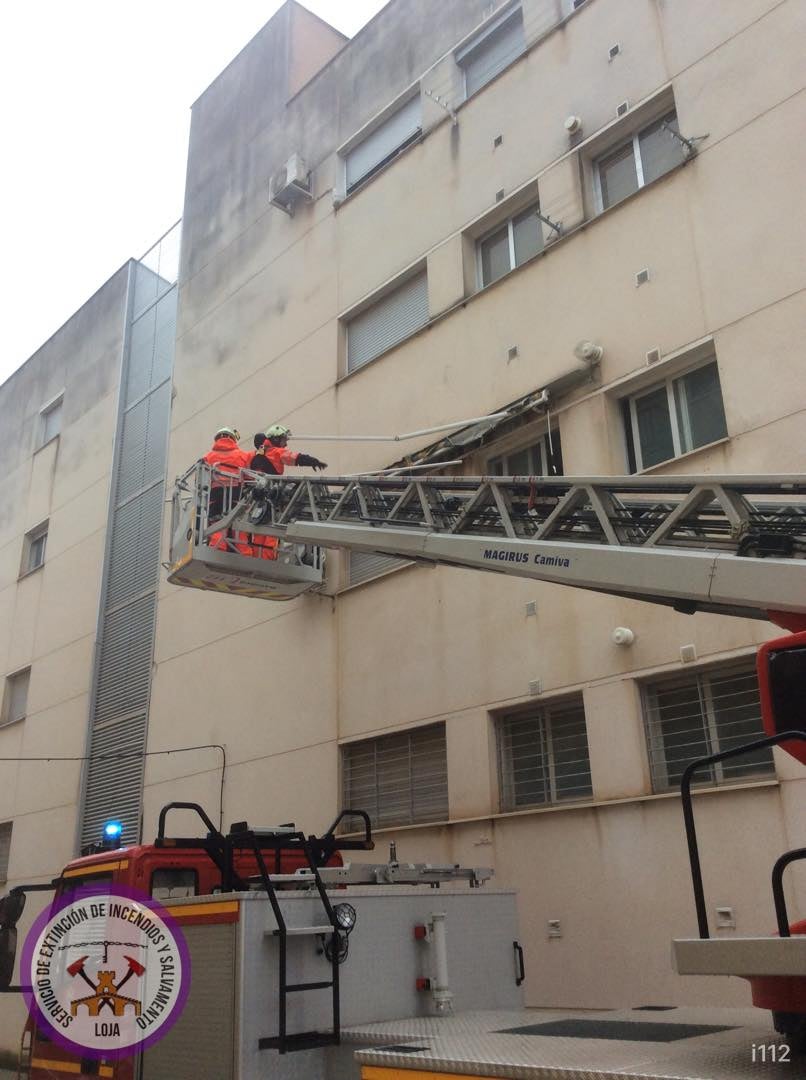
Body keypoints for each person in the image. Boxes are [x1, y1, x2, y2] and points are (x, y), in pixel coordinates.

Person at [248, 424, 328, 559]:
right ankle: (267, 562)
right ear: (275, 439)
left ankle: (257, 560)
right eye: (283, 440)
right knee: (272, 532)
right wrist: (314, 461)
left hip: (257, 498)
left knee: (258, 532)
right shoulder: (276, 452)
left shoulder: (256, 453)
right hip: (272, 498)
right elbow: (295, 458)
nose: (285, 444)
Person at [201, 426, 254, 554]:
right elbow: (250, 477)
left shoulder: (207, 457)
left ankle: (217, 549)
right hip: (236, 494)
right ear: (233, 439)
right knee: (238, 523)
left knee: (216, 523)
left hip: (215, 495)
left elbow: (201, 481)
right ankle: (244, 553)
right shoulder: (243, 455)